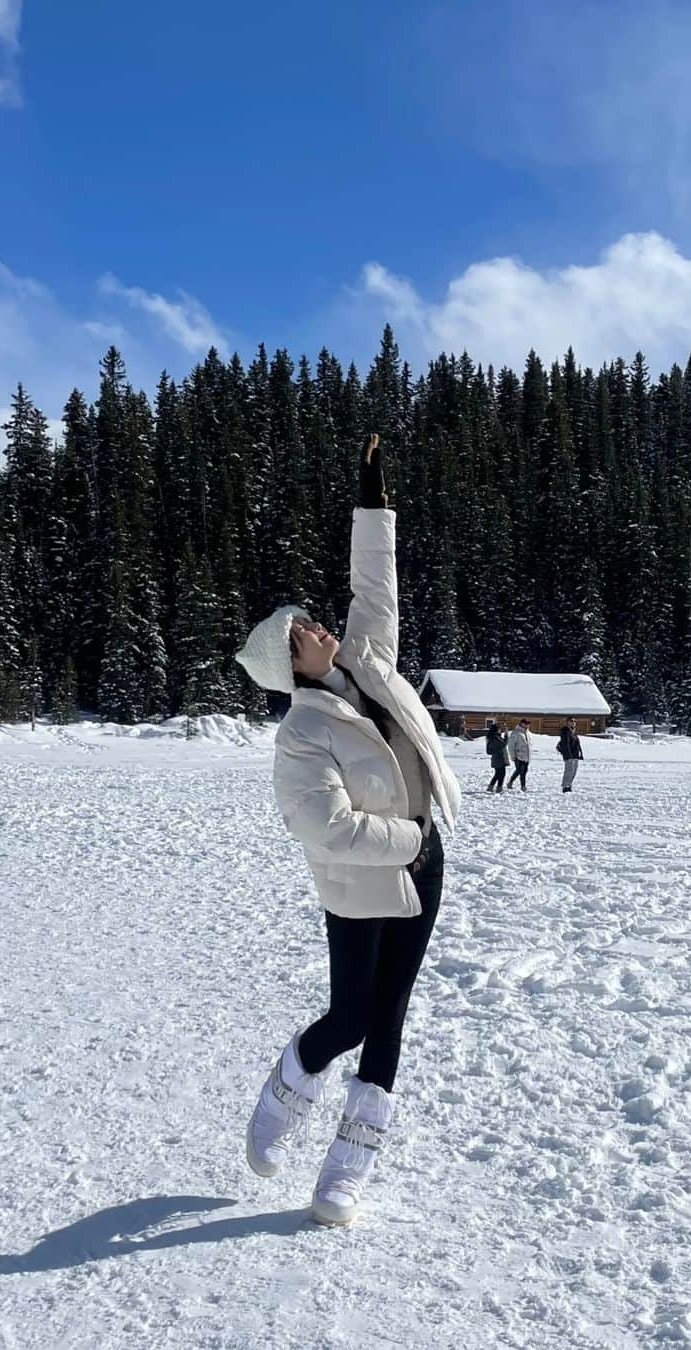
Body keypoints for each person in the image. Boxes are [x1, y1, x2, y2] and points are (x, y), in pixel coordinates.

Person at [234, 433, 462, 1228]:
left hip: (424, 862)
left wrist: (373, 497)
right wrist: (410, 842)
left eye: (317, 620)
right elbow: (328, 830)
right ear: (289, 662)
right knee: (353, 1014)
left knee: (392, 1012)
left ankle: (348, 1168)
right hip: (363, 878)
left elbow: (378, 583)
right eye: (305, 629)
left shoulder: (369, 659)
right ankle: (290, 1082)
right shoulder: (299, 734)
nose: (323, 625)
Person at [556, 716, 584, 792]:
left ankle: (569, 785)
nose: (573, 722)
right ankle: (565, 786)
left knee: (574, 771)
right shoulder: (565, 731)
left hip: (575, 754)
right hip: (569, 755)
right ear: (567, 722)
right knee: (569, 770)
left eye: (574, 721)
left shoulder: (573, 731)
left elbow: (577, 744)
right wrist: (568, 755)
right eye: (571, 721)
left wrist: (580, 753)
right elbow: (566, 744)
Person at [507, 719, 532, 790]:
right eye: (525, 723)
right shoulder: (516, 733)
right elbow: (511, 745)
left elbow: (529, 745)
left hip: (526, 756)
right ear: (521, 724)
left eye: (528, 724)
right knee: (520, 770)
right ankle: (522, 786)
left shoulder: (528, 733)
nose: (527, 725)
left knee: (524, 771)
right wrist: (512, 756)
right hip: (518, 755)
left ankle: (511, 782)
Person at [485, 719, 509, 792]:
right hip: (499, 759)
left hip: (497, 759)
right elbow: (504, 744)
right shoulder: (495, 738)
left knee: (498, 774)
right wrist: (506, 734)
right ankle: (499, 788)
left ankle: (491, 787)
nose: (500, 730)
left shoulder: (493, 737)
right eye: (499, 729)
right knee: (501, 774)